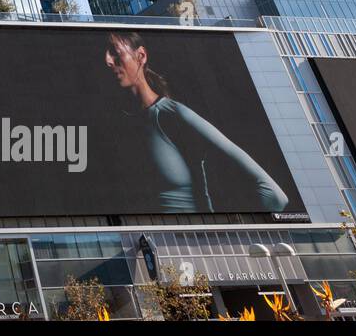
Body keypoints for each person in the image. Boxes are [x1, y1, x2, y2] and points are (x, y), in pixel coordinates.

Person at [103, 32, 289, 213]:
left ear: (141, 55)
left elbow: (273, 194)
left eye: (114, 51)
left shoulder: (171, 115)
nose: (107, 60)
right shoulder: (114, 128)